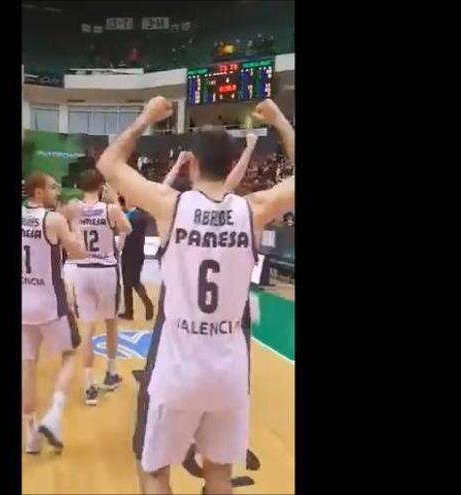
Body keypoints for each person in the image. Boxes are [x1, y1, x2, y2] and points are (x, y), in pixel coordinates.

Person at [96, 96, 295, 494]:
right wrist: (281, 123)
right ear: (232, 164)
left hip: (177, 369)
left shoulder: (171, 205)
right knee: (219, 474)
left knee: (154, 473)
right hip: (229, 370)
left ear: (191, 164)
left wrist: (145, 119)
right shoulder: (254, 208)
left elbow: (108, 165)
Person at [21, 171, 87, 454]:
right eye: (51, 186)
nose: (56, 190)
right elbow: (79, 253)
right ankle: (54, 415)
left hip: (23, 302)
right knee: (71, 353)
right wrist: (76, 221)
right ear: (38, 192)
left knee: (28, 367)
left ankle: (30, 437)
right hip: (50, 303)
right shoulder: (55, 220)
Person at [69, 169, 132, 406]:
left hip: (83, 270)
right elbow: (127, 228)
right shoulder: (110, 209)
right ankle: (111, 372)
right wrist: (114, 200)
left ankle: (88, 386)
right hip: (106, 270)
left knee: (87, 329)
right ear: (102, 185)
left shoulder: (74, 209)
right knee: (111, 323)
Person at [162, 132, 258, 193]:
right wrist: (249, 148)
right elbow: (230, 183)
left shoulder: (181, 202)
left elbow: (162, 190)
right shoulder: (235, 204)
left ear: (196, 165)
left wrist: (178, 164)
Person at [117, 195, 155, 322]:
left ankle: (136, 308)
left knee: (131, 283)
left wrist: (118, 249)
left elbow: (122, 236)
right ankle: (131, 310)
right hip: (139, 252)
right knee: (133, 282)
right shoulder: (143, 217)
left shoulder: (127, 217)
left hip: (128, 253)